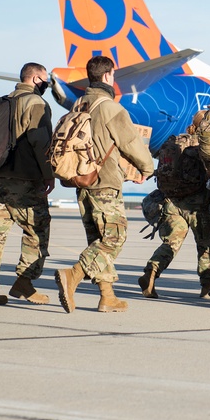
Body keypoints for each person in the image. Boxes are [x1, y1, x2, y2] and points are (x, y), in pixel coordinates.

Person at [54, 56, 154, 313]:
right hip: (104, 183)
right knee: (114, 237)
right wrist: (147, 167)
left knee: (97, 241)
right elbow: (130, 142)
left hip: (82, 182)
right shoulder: (110, 107)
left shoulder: (79, 103)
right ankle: (73, 275)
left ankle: (107, 296)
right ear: (108, 76)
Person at [0, 63, 55, 306]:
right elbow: (40, 143)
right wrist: (48, 174)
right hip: (27, 180)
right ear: (35, 78)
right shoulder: (36, 104)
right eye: (44, 80)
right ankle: (24, 282)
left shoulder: (3, 103)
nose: (46, 84)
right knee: (37, 230)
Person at [138, 110, 210, 299]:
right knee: (204, 244)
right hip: (196, 205)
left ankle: (151, 272)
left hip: (171, 202)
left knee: (171, 244)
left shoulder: (177, 142)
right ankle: (207, 285)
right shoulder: (205, 145)